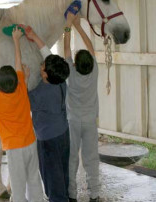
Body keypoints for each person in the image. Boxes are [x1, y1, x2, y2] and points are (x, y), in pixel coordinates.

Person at [0, 27, 43, 202]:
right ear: (17, 79)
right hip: (30, 142)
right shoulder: (21, 88)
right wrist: (16, 40)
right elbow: (18, 64)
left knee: (18, 186)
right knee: (34, 180)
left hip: (14, 149)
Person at [24, 16, 72, 202]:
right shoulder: (60, 79)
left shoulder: (40, 94)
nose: (41, 65)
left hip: (48, 140)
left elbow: (24, 100)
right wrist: (34, 36)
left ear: (44, 74)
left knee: (52, 181)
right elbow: (49, 57)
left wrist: (26, 79)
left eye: (42, 66)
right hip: (63, 135)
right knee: (61, 174)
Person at [64, 14, 100, 202]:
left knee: (72, 159)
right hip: (90, 121)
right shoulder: (94, 70)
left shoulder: (70, 72)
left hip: (73, 121)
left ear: (76, 63)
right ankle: (94, 193)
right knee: (91, 158)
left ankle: (72, 194)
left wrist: (68, 25)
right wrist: (79, 26)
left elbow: (66, 51)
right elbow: (91, 48)